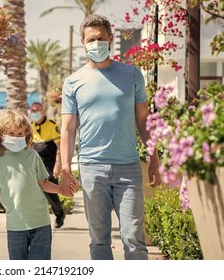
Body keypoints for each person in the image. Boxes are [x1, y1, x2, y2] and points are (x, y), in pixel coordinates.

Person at [59, 14, 161, 260]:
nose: (96, 43)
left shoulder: (132, 75)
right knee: (99, 240)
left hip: (128, 167)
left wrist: (154, 157)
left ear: (111, 39)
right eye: (91, 39)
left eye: (101, 38)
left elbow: (143, 120)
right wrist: (65, 168)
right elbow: (68, 128)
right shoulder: (73, 82)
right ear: (83, 43)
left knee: (134, 238)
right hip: (92, 168)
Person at [0, 110, 77, 260]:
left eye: (20, 134)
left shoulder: (32, 156)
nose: (16, 137)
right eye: (11, 133)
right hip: (15, 226)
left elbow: (43, 183)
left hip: (41, 223)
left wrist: (60, 189)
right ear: (0, 134)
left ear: (26, 134)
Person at [29, 102, 66, 228]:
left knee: (50, 189)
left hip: (50, 162)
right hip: (36, 162)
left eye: (38, 110)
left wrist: (58, 165)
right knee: (35, 189)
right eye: (33, 110)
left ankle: (59, 214)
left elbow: (59, 147)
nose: (35, 113)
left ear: (43, 111)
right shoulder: (31, 126)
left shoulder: (51, 125)